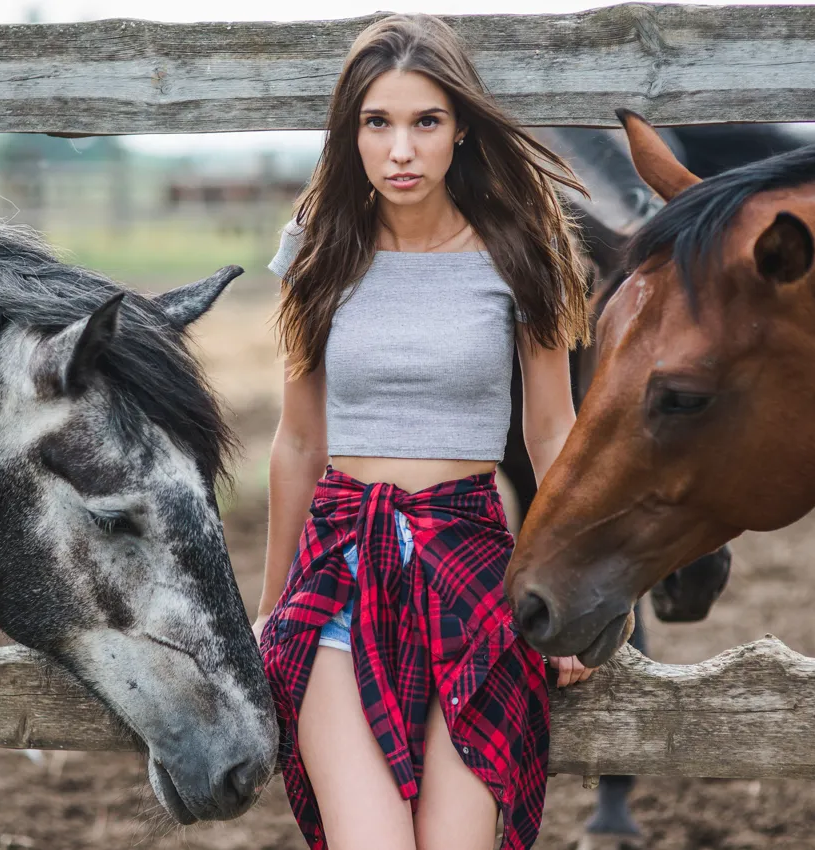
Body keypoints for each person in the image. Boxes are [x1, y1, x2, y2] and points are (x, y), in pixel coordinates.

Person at [253, 13, 594, 850]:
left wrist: (577, 606)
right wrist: (268, 613)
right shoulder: (317, 250)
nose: (401, 149)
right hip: (338, 568)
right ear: (352, 134)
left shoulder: (523, 252)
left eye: (425, 122)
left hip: (474, 568)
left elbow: (555, 436)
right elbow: (298, 443)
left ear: (461, 129)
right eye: (378, 123)